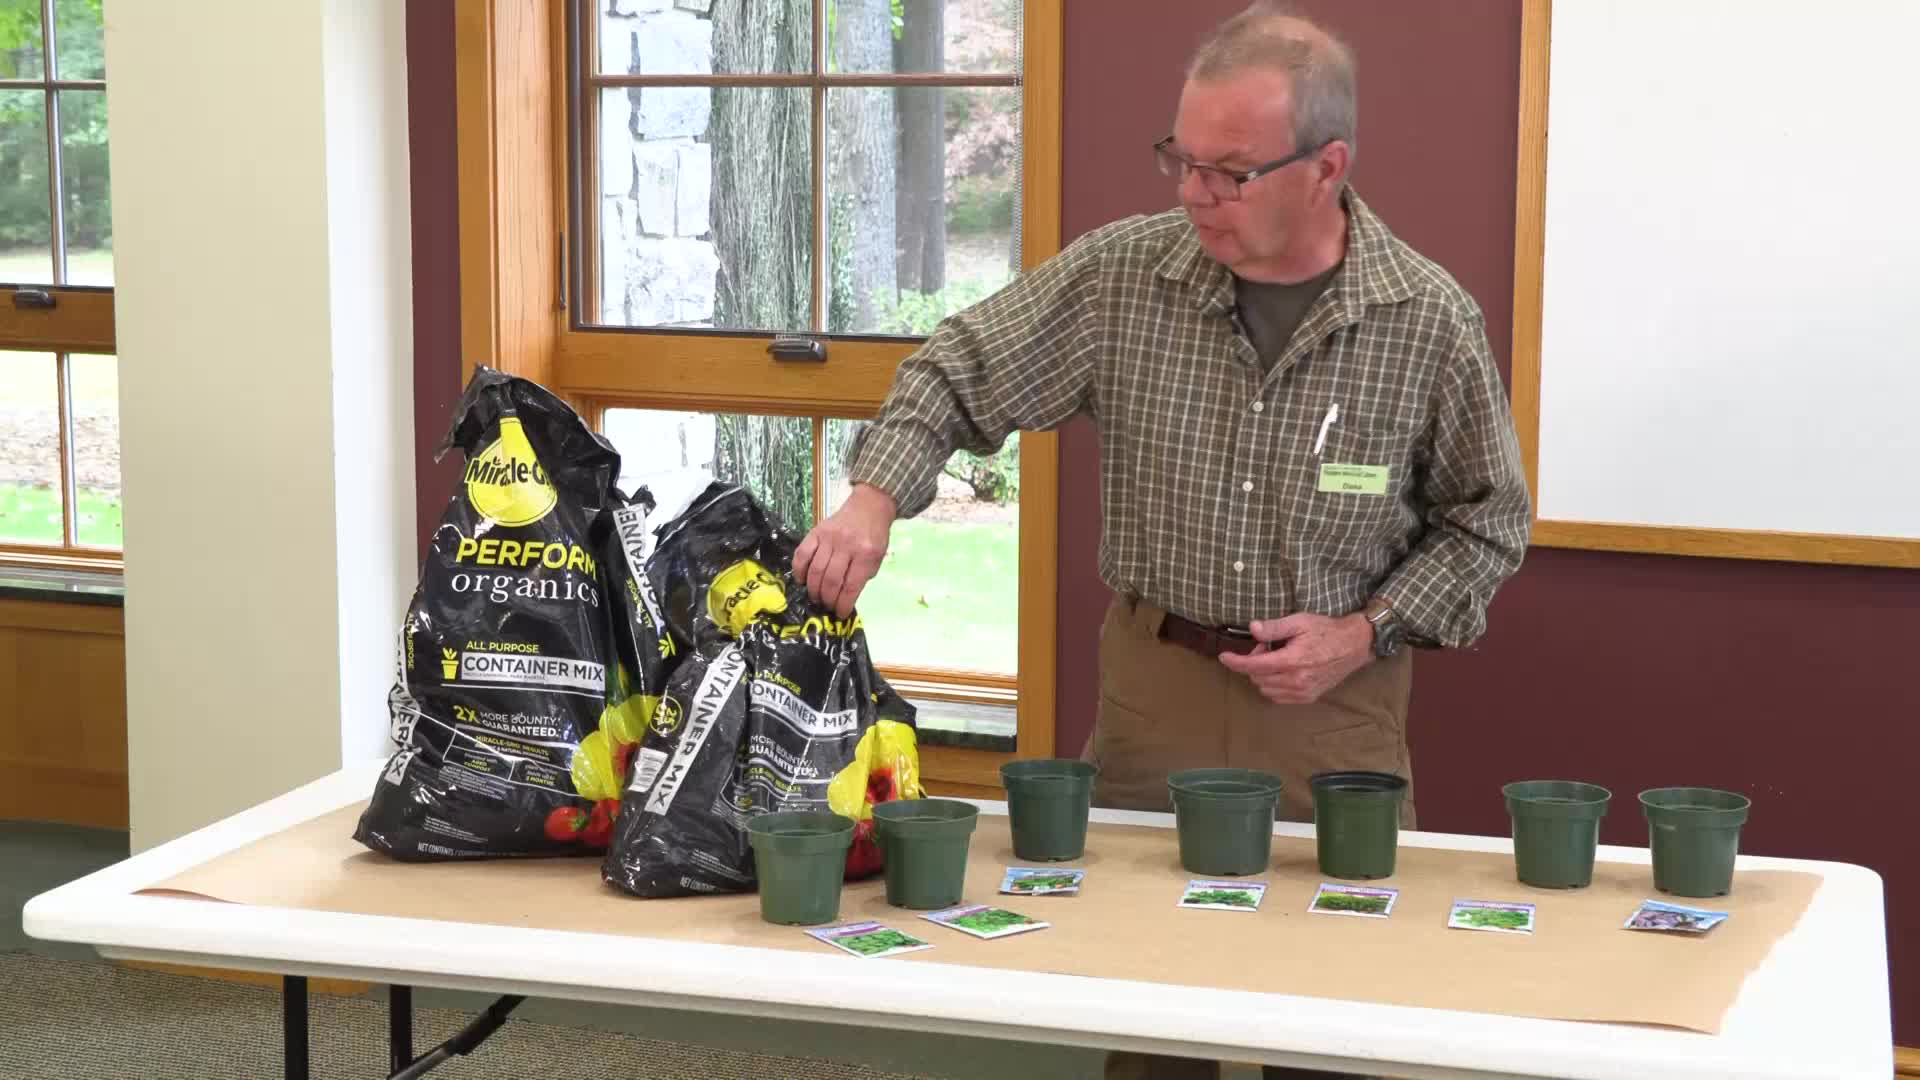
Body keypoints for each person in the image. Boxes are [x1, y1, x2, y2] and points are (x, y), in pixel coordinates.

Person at [796, 4, 1531, 1075]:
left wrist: (1366, 630)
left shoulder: (1427, 321)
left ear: (1327, 168)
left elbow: (1487, 524)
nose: (1194, 193)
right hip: (1155, 699)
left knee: (1332, 1015)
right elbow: (956, 368)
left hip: (1335, 716)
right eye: (1181, 161)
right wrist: (871, 500)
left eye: (1230, 172)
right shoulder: (1123, 279)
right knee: (1147, 1012)